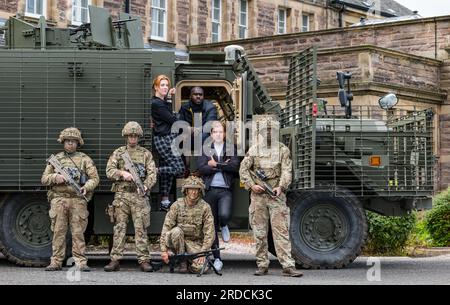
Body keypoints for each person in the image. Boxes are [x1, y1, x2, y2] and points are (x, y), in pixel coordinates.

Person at [239, 115, 303, 277]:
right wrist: (252, 185)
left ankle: (288, 266)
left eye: (271, 130)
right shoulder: (254, 150)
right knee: (259, 232)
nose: (268, 133)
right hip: (258, 197)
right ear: (260, 132)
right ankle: (262, 264)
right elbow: (243, 170)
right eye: (265, 130)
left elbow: (287, 171)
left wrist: (281, 187)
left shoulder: (282, 150)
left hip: (276, 195)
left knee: (281, 231)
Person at [41, 127, 99, 271]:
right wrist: (56, 177)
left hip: (78, 200)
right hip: (59, 199)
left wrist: (87, 187)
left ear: (78, 143)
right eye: (68, 141)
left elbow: (95, 178)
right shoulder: (56, 160)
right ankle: (56, 261)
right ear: (63, 142)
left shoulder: (85, 159)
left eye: (73, 141)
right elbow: (44, 179)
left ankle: (80, 262)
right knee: (58, 232)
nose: (70, 144)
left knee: (78, 232)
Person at [103, 121, 157, 272]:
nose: (133, 139)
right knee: (119, 228)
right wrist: (122, 173)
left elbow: (152, 174)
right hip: (122, 196)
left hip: (139, 196)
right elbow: (109, 171)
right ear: (126, 137)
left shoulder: (146, 154)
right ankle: (115, 259)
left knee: (141, 229)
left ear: (138, 137)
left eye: (135, 136)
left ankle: (144, 260)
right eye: (130, 136)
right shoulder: (119, 153)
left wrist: (146, 186)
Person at [197, 121, 239, 271]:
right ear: (211, 134)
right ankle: (217, 259)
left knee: (224, 214)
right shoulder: (205, 148)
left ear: (224, 133)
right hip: (210, 190)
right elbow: (201, 168)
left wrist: (215, 164)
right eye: (215, 132)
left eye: (221, 132)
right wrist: (221, 166)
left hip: (225, 190)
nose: (218, 134)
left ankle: (224, 224)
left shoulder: (231, 148)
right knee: (211, 226)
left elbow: (235, 166)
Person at [160, 175, 215, 274]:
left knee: (200, 268)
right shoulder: (177, 205)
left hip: (194, 243)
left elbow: (209, 233)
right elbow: (166, 227)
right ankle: (182, 262)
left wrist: (203, 253)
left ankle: (190, 262)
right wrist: (164, 250)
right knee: (176, 231)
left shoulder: (205, 207)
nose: (193, 192)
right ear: (186, 190)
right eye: (191, 189)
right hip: (176, 241)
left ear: (200, 191)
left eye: (196, 190)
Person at [150, 75, 185, 211]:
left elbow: (169, 114)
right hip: (164, 139)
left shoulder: (161, 102)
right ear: (156, 87)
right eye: (162, 85)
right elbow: (173, 120)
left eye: (166, 85)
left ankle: (165, 200)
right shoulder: (157, 104)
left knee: (168, 172)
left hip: (168, 138)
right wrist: (176, 116)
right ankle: (155, 170)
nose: (165, 87)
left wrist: (169, 98)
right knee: (179, 169)